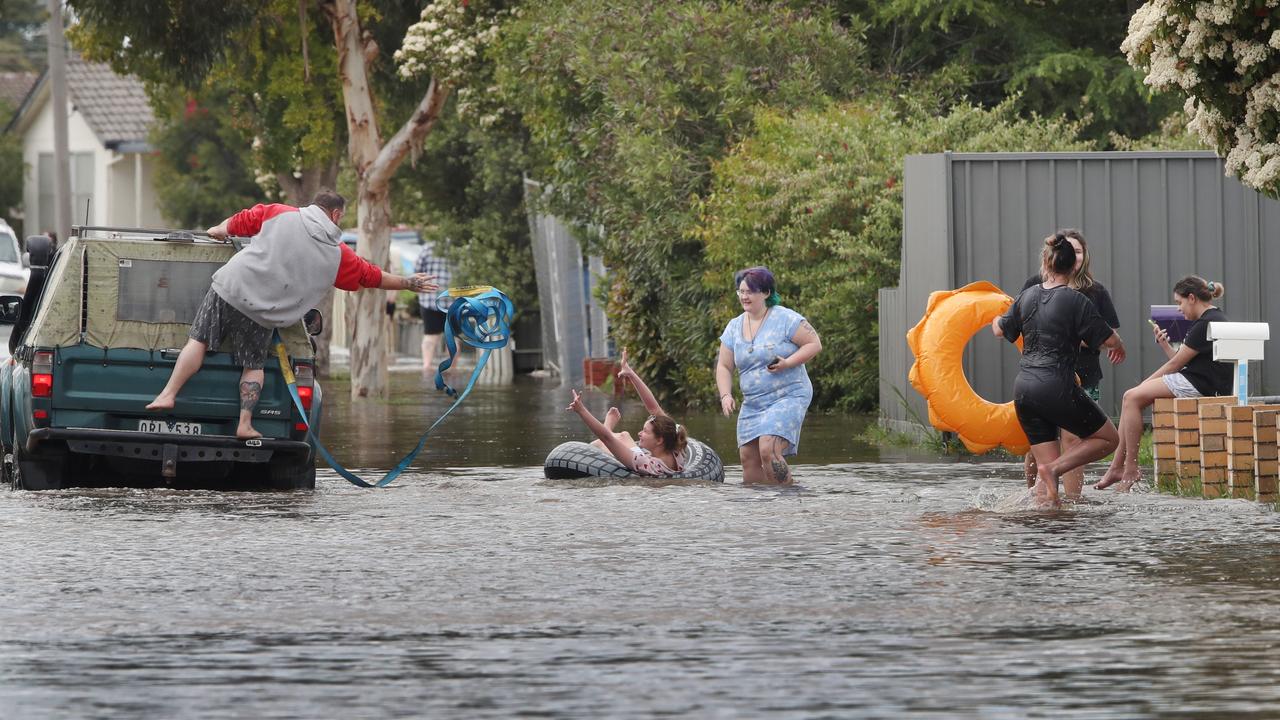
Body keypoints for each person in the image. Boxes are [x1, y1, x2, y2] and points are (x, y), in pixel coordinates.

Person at [146, 191, 439, 439]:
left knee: (198, 342)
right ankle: (245, 424)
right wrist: (408, 283)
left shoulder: (279, 213)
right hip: (263, 310)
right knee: (253, 365)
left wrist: (216, 230)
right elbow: (369, 276)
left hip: (232, 287)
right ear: (336, 215)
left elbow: (237, 223)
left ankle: (167, 394)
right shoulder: (338, 254)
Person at [992, 232, 1125, 507]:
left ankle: (1048, 534)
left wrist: (996, 317)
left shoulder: (1027, 296)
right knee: (1110, 439)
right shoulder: (1077, 301)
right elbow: (1109, 339)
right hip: (1057, 386)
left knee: (1046, 483)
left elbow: (999, 329)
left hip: (1025, 389)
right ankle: (1054, 472)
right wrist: (1119, 345)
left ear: (1047, 262)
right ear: (1073, 264)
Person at [1095, 276, 1231, 492]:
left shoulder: (1205, 323)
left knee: (1131, 397)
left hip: (1200, 385)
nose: (1179, 310)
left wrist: (1143, 385)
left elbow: (1176, 364)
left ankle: (1129, 469)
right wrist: (1165, 345)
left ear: (1192, 298)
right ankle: (1116, 468)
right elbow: (1183, 360)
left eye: (1179, 303)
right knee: (1131, 398)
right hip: (1200, 380)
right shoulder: (1214, 318)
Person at [715, 266, 822, 484]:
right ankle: (758, 511)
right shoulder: (734, 327)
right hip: (754, 402)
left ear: (766, 293)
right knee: (748, 457)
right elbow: (724, 366)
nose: (744, 296)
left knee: (768, 448)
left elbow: (814, 344)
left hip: (788, 395)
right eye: (741, 291)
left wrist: (788, 362)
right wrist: (725, 395)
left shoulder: (786, 319)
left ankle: (787, 501)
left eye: (750, 292)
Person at [565, 377, 688, 478]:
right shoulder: (676, 450)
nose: (639, 433)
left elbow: (607, 438)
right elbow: (654, 409)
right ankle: (608, 427)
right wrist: (631, 374)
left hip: (635, 464)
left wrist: (581, 410)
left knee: (601, 443)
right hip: (650, 457)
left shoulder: (646, 465)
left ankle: (607, 426)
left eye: (645, 431)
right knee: (624, 435)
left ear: (659, 440)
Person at [414, 240, 453, 373]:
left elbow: (416, 270)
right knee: (453, 336)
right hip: (453, 300)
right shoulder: (458, 249)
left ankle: (427, 365)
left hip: (429, 298)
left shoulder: (427, 248)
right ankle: (451, 367)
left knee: (430, 335)